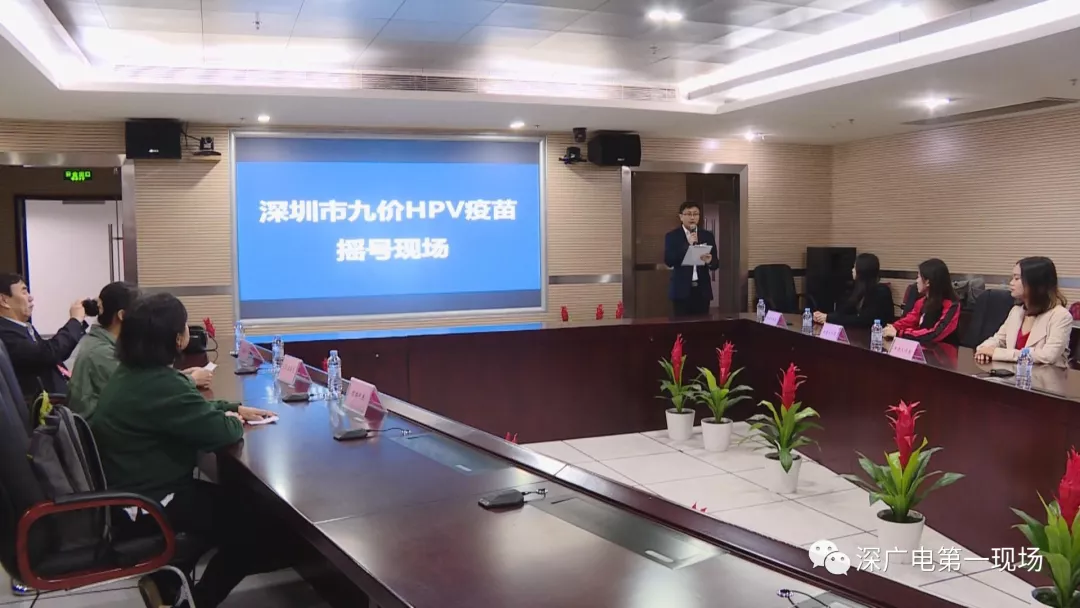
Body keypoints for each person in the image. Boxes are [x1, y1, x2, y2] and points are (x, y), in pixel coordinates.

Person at [89, 293, 283, 608]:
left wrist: (233, 407)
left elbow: (186, 408)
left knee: (238, 506)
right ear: (177, 339)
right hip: (151, 501)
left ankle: (168, 582)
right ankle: (195, 601)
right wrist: (232, 419)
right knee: (254, 526)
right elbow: (221, 432)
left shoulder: (134, 373)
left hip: (134, 490)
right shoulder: (160, 383)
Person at [68, 282, 213, 417]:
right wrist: (191, 380)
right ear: (122, 315)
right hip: (99, 431)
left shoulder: (105, 342)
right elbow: (147, 392)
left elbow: (142, 382)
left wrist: (180, 376)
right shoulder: (101, 352)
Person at [0, 273, 87, 400]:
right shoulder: (5, 334)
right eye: (24, 292)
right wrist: (75, 321)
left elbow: (51, 356)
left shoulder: (23, 327)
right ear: (4, 300)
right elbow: (48, 353)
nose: (30, 297)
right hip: (39, 407)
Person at [975, 257, 1073, 367]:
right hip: (1014, 374)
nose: (1011, 283)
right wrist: (983, 349)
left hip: (1044, 376)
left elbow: (1047, 356)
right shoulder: (1016, 311)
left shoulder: (1061, 316)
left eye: (1017, 278)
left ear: (1036, 283)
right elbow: (998, 339)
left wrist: (998, 353)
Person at [882, 258, 960, 344]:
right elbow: (909, 320)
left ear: (928, 282)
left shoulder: (952, 305)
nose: (916, 281)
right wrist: (893, 327)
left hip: (943, 349)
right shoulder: (922, 302)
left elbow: (935, 334)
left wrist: (900, 333)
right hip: (923, 347)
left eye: (918, 277)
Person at [664, 202, 720, 317]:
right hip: (681, 291)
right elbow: (669, 260)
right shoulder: (672, 236)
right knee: (681, 325)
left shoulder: (707, 236)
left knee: (702, 325)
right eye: (689, 214)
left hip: (702, 291)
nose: (692, 217)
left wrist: (710, 261)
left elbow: (715, 263)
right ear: (681, 216)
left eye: (695, 214)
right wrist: (687, 245)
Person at [812, 253, 895, 328]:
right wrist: (824, 316)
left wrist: (829, 318)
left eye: (855, 267)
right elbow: (844, 311)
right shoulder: (858, 288)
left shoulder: (881, 292)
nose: (852, 270)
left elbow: (863, 320)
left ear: (862, 270)